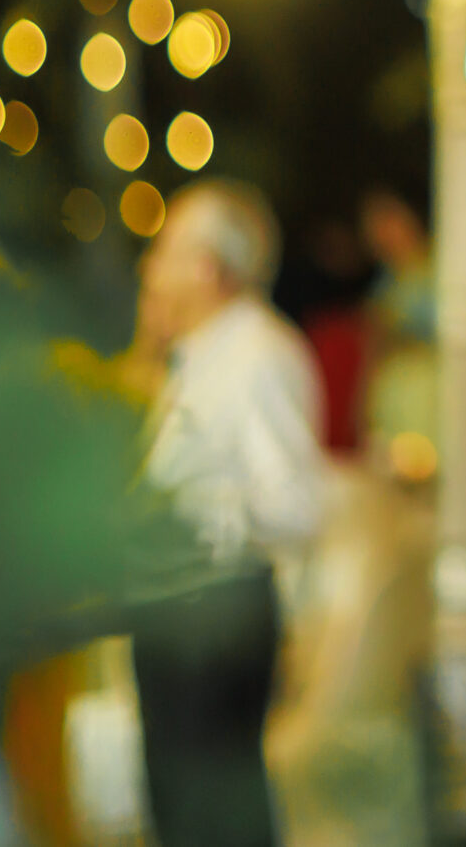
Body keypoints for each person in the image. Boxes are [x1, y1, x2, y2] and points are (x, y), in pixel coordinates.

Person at [128, 179, 328, 847]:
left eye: (164, 251)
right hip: (189, 609)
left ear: (208, 268)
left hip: (215, 612)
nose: (149, 269)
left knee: (212, 815)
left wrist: (182, 518)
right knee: (188, 809)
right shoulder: (207, 351)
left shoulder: (255, 355)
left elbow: (294, 503)